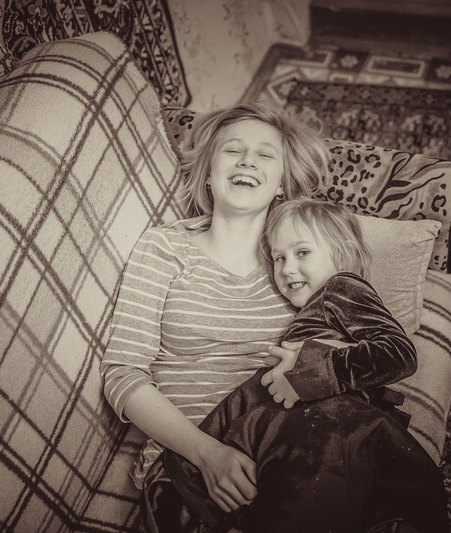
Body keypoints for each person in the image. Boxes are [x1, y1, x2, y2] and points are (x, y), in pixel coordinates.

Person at [100, 102, 330, 521]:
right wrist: (207, 454)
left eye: (265, 154)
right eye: (233, 150)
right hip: (188, 467)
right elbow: (122, 372)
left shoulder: (297, 261)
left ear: (281, 184)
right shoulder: (163, 248)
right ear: (208, 172)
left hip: (286, 451)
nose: (247, 161)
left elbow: (345, 330)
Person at [161, 198, 449, 532]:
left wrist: (314, 372)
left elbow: (399, 352)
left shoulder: (342, 287)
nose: (286, 268)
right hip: (292, 423)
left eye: (302, 252)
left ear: (342, 253)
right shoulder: (313, 305)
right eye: (279, 257)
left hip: (329, 417)